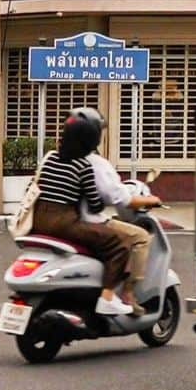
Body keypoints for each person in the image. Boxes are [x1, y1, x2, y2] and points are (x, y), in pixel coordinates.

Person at [30, 112, 133, 316]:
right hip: (64, 223)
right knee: (120, 243)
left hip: (38, 220)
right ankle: (107, 298)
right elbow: (95, 206)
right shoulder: (83, 166)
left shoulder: (49, 159)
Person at [71, 106, 161, 315]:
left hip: (61, 221)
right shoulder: (94, 163)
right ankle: (127, 293)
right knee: (139, 237)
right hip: (87, 222)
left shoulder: (56, 157)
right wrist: (150, 200)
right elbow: (119, 197)